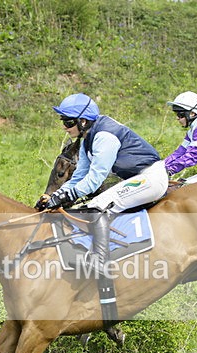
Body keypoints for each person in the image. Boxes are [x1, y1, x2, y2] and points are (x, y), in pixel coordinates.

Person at [36, 93, 167, 272]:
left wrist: (68, 195)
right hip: (139, 178)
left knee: (97, 205)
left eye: (68, 122)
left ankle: (100, 261)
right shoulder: (87, 140)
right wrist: (56, 195)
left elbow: (95, 178)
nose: (64, 127)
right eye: (63, 121)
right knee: (90, 205)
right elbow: (79, 176)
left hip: (151, 178)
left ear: (83, 121)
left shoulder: (104, 136)